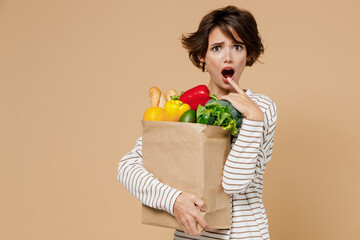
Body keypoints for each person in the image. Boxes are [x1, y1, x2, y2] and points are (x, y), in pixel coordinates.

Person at [117, 5, 278, 240]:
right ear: (202, 56)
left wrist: (253, 120)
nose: (228, 57)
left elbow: (234, 184)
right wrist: (173, 200)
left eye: (237, 47)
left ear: (249, 54)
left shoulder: (261, 108)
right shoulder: (183, 108)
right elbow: (127, 167)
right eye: (216, 48)